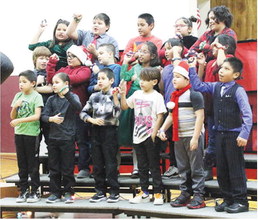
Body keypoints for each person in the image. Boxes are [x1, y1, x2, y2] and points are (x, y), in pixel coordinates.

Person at [188, 57, 252, 213]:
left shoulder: (238, 90)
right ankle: (228, 199)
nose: (221, 71)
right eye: (221, 68)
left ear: (236, 75)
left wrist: (244, 134)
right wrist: (192, 67)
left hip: (234, 136)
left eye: (226, 69)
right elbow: (197, 85)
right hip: (219, 135)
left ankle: (241, 201)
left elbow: (247, 114)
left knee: (235, 168)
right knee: (222, 169)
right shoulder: (215, 86)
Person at [158, 61, 206, 209]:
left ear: (186, 79)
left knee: (196, 167)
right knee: (183, 167)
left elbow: (200, 117)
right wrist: (162, 129)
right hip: (178, 136)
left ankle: (199, 195)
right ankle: (185, 193)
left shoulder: (194, 94)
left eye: (178, 77)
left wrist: (195, 138)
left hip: (192, 136)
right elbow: (171, 116)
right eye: (173, 76)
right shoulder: (174, 96)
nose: (174, 79)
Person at [117, 67, 166, 205]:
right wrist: (122, 94)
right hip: (137, 136)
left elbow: (160, 115)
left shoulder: (157, 96)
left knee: (154, 166)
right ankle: (143, 191)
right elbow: (125, 106)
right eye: (141, 79)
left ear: (154, 81)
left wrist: (154, 133)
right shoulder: (137, 93)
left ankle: (158, 193)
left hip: (150, 136)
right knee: (142, 167)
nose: (142, 82)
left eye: (145, 80)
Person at [47, 44, 92, 179]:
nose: (69, 58)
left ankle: (83, 168)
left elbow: (76, 79)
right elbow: (51, 79)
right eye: (68, 56)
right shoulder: (64, 69)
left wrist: (60, 79)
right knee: (64, 143)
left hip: (78, 112)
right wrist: (51, 64)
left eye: (73, 56)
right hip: (63, 114)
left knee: (82, 141)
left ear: (81, 57)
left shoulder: (85, 70)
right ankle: (60, 169)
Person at [197, 34, 237, 180]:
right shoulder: (210, 62)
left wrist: (220, 48)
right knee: (211, 138)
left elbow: (223, 64)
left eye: (215, 44)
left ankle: (213, 170)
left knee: (218, 139)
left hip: (223, 107)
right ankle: (207, 168)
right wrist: (201, 64)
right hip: (210, 106)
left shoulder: (229, 59)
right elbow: (200, 79)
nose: (212, 47)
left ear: (224, 47)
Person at [119, 41, 160, 178]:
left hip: (148, 105)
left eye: (144, 52)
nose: (140, 54)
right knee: (134, 135)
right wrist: (126, 62)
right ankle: (137, 167)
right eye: (140, 51)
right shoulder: (135, 67)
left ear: (153, 55)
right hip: (133, 101)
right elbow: (124, 77)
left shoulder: (156, 69)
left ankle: (148, 167)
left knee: (146, 137)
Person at [80, 68, 121, 203]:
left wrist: (115, 98)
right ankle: (100, 191)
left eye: (103, 79)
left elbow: (117, 114)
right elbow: (83, 113)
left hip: (110, 131)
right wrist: (91, 120)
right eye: (98, 79)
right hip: (96, 131)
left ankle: (114, 192)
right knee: (97, 163)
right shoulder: (94, 96)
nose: (100, 81)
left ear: (111, 80)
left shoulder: (115, 95)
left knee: (110, 162)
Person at [41, 72, 82, 203]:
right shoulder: (51, 100)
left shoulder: (73, 97)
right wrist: (51, 119)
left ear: (66, 84)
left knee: (67, 167)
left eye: (57, 82)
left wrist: (67, 94)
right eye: (53, 83)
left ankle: (69, 192)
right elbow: (43, 116)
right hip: (53, 138)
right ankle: (55, 193)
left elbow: (78, 107)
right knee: (53, 167)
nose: (54, 85)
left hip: (68, 138)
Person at [10, 70, 43, 203]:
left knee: (32, 164)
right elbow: (12, 117)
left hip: (31, 134)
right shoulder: (18, 96)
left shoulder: (36, 96)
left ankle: (34, 191)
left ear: (33, 83)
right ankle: (23, 191)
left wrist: (19, 121)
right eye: (20, 82)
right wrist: (15, 108)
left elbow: (36, 116)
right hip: (19, 134)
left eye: (24, 82)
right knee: (21, 164)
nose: (21, 85)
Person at [159, 38, 184, 178]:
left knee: (180, 138)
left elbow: (179, 71)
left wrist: (176, 54)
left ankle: (183, 167)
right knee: (171, 139)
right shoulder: (167, 68)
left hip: (183, 108)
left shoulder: (183, 63)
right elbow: (163, 88)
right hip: (169, 107)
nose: (166, 52)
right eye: (166, 49)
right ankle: (174, 165)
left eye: (169, 48)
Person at [32, 46, 53, 147]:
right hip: (34, 111)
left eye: (47, 58)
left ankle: (51, 163)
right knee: (34, 142)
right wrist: (37, 83)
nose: (44, 61)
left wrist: (34, 87)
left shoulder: (52, 73)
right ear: (35, 59)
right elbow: (24, 90)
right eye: (41, 58)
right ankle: (34, 162)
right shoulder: (30, 74)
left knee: (51, 141)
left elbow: (52, 89)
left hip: (49, 111)